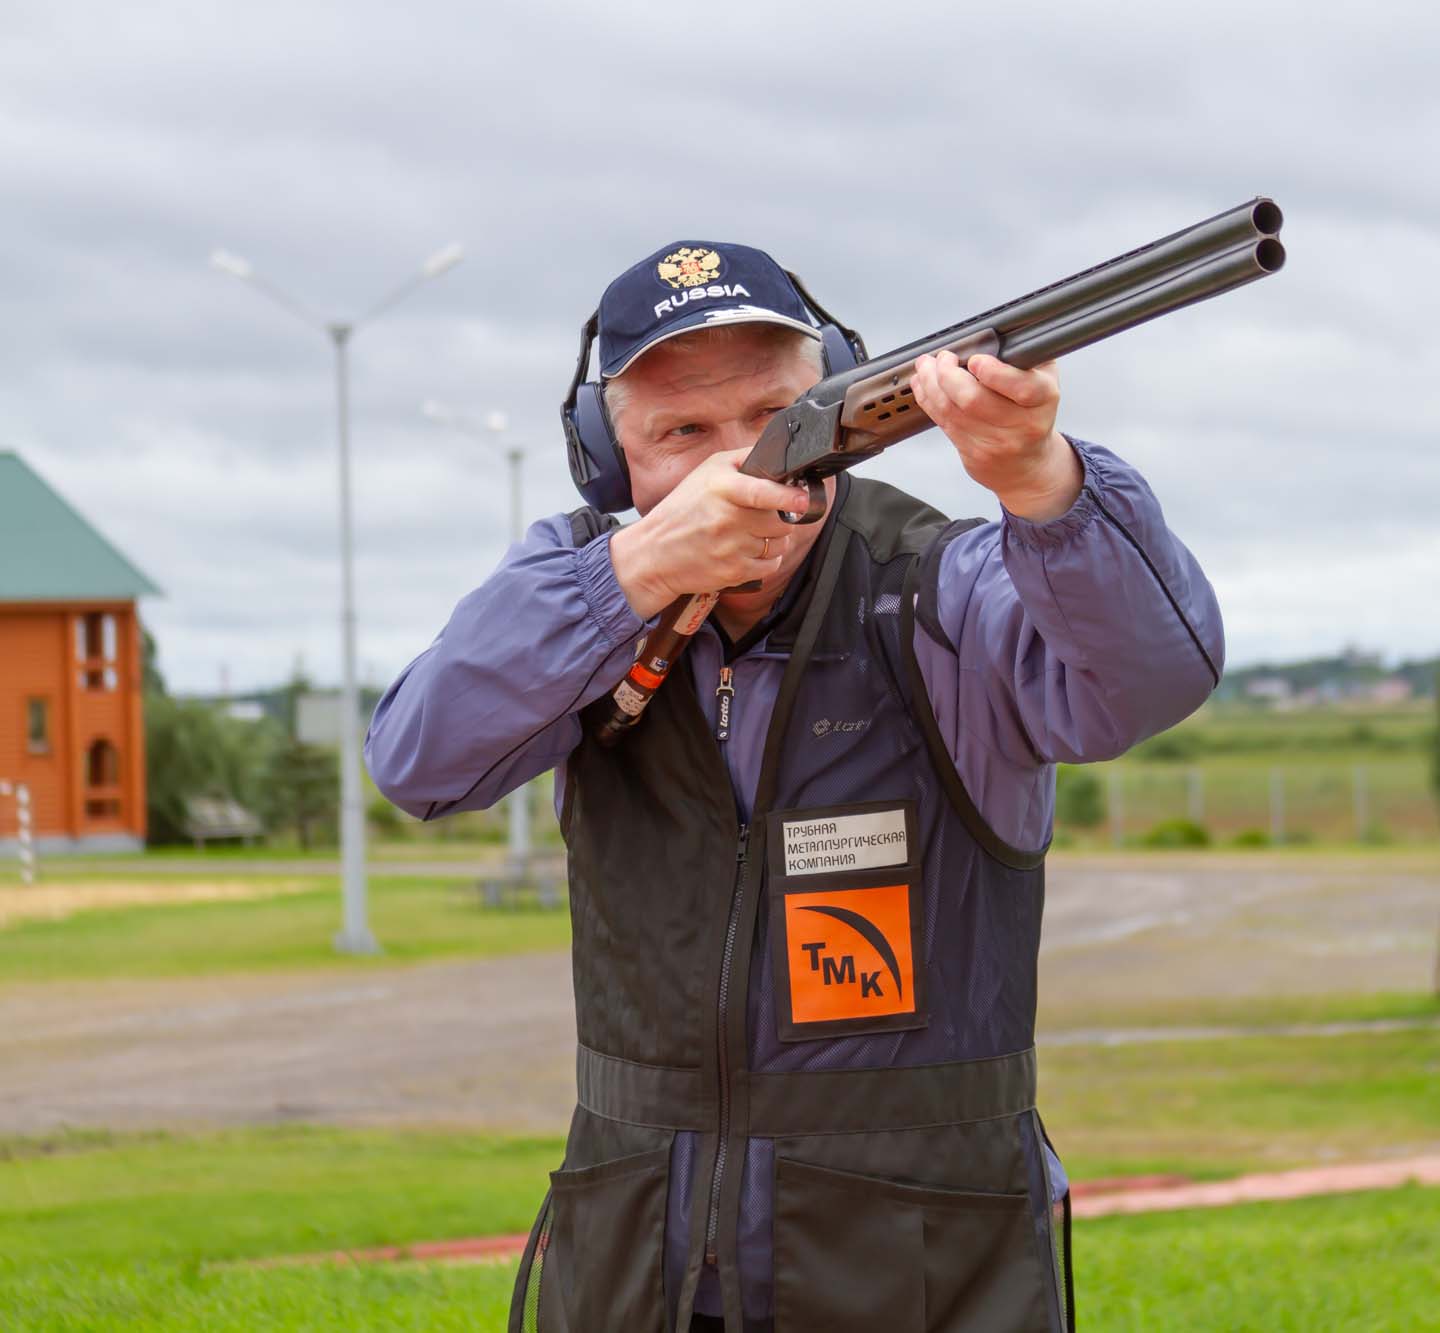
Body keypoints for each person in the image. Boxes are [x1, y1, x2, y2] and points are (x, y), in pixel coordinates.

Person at [365, 240, 1223, 1333]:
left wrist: (1044, 484)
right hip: (639, 1262)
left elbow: (1148, 679)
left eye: (774, 416)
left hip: (922, 1271)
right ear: (607, 460)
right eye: (682, 434)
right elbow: (417, 760)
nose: (743, 466)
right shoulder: (579, 595)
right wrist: (635, 572)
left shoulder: (941, 587)